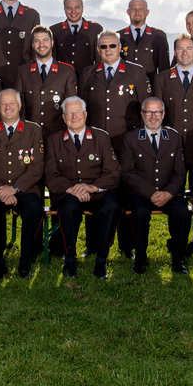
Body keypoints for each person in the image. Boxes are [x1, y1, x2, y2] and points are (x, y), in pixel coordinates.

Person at [79, 28, 151, 258]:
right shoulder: (89, 73)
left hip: (127, 144)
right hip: (97, 146)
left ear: (120, 48)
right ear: (98, 49)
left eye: (112, 45)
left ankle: (127, 246)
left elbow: (146, 109)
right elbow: (83, 111)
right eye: (103, 46)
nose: (108, 50)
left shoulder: (136, 72)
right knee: (95, 192)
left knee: (127, 194)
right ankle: (93, 245)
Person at [154, 34, 193, 257]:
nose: (184, 53)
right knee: (175, 197)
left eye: (188, 48)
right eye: (180, 49)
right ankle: (177, 242)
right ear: (175, 52)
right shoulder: (163, 78)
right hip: (172, 150)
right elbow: (158, 117)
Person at [45, 96, 121, 279]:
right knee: (68, 208)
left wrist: (92, 187)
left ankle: (101, 260)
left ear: (85, 115)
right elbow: (50, 174)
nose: (74, 117)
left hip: (96, 191)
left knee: (113, 206)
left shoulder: (101, 137)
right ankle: (70, 259)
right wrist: (72, 189)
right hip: (69, 193)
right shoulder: (54, 140)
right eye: (69, 113)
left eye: (78, 112)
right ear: (63, 118)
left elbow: (114, 172)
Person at [0, 89, 45, 279]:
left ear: (20, 106)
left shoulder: (33, 130)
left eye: (12, 103)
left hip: (24, 189)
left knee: (34, 209)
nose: (8, 107)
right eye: (3, 104)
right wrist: (2, 190)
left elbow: (36, 168)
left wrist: (14, 189)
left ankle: (25, 261)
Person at [120, 97, 190, 274]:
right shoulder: (130, 138)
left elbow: (180, 173)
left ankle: (178, 259)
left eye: (157, 112)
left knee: (182, 212)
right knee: (140, 214)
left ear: (163, 114)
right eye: (149, 112)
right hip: (140, 193)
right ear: (142, 114)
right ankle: (140, 259)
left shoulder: (174, 137)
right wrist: (150, 193)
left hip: (168, 192)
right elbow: (127, 173)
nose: (153, 116)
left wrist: (168, 193)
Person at [17, 25, 77, 135]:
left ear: (52, 43)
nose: (41, 45)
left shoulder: (66, 71)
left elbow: (72, 106)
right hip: (30, 134)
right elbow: (18, 107)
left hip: (58, 134)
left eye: (45, 40)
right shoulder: (23, 72)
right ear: (33, 45)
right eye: (37, 41)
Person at [119, 0, 170, 84]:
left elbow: (164, 70)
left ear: (147, 12)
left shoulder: (159, 36)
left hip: (150, 88)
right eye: (133, 9)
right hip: (124, 88)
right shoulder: (119, 36)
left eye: (141, 9)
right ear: (128, 12)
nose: (137, 12)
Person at [51, 0, 103, 76]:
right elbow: (52, 59)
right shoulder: (55, 30)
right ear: (64, 9)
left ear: (82, 8)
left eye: (77, 7)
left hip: (88, 78)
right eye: (69, 8)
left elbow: (99, 59)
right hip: (63, 79)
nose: (73, 11)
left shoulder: (95, 29)